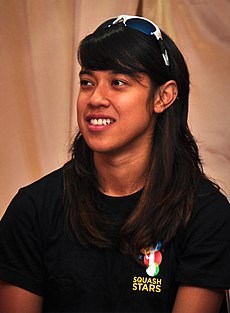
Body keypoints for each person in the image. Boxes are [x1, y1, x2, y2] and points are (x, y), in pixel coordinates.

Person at [0, 14, 229, 313]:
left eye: (118, 82)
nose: (95, 98)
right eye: (87, 82)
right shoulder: (33, 208)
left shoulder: (205, 214)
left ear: (164, 97)